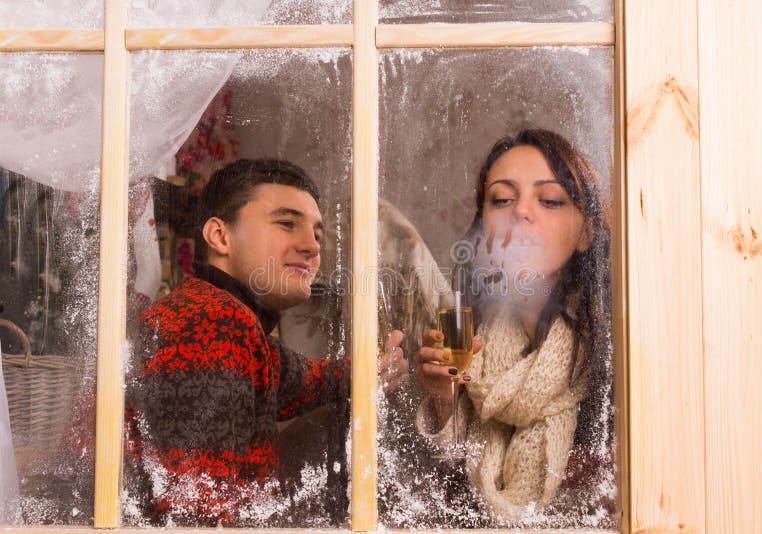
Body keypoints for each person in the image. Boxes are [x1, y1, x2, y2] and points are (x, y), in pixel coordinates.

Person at [125, 158, 408, 526]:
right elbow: (192, 519)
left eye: (318, 235)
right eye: (287, 224)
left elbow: (302, 378)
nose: (311, 247)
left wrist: (370, 370)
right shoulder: (212, 322)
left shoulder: (219, 315)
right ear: (220, 236)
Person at [414, 129, 612, 524]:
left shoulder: (617, 349)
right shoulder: (471, 339)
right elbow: (447, 504)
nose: (520, 211)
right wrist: (443, 398)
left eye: (551, 200)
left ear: (586, 234)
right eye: (502, 199)